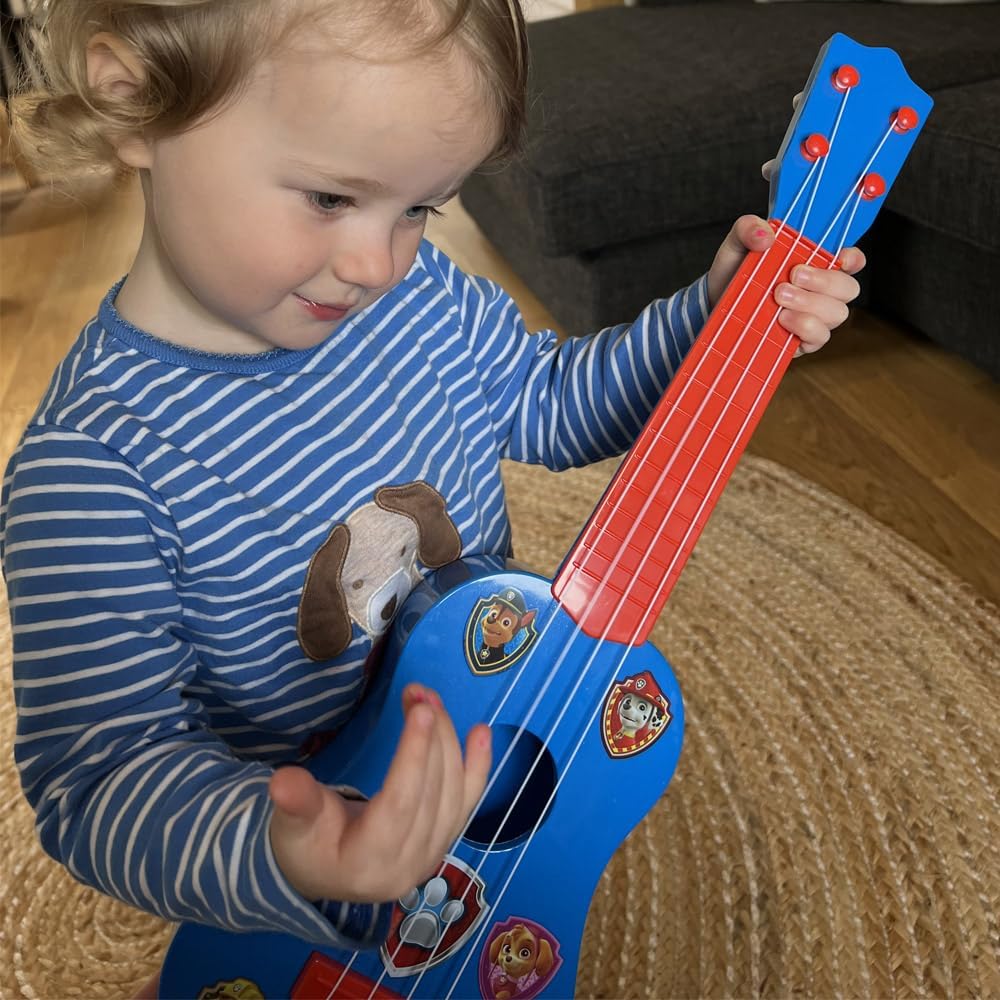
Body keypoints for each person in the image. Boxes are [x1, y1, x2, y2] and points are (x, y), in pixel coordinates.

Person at [1, 0, 863, 970]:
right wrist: (293, 846)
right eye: (331, 197)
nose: (376, 264)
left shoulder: (425, 298)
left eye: (418, 208)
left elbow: (550, 400)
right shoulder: (90, 475)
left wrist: (715, 315)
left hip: (476, 762)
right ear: (137, 104)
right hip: (307, 906)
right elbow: (101, 778)